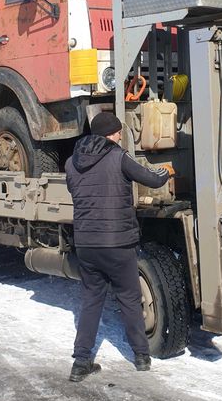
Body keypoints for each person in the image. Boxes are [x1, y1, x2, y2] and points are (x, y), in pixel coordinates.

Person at [64, 111, 172, 382]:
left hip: (87, 243)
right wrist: (167, 171)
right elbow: (153, 179)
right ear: (111, 134)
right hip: (117, 243)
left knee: (91, 300)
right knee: (128, 298)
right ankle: (141, 356)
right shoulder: (118, 157)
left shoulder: (71, 163)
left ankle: (81, 362)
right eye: (117, 133)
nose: (119, 137)